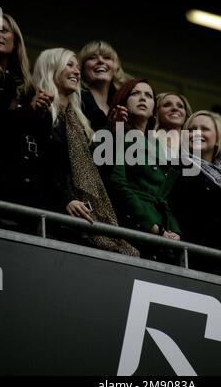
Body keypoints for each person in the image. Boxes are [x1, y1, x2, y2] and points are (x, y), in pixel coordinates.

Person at [32, 48, 139, 256]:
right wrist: (65, 200)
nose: (76, 72)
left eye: (77, 67)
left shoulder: (78, 121)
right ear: (51, 67)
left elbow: (99, 166)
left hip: (80, 218)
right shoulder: (40, 112)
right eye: (69, 65)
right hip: (54, 216)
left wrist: (115, 131)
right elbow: (40, 165)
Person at [103, 78, 181, 261]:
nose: (142, 98)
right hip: (130, 231)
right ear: (123, 101)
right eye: (135, 93)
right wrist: (153, 227)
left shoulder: (158, 146)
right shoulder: (112, 134)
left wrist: (174, 230)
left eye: (148, 95)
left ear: (154, 107)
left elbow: (165, 197)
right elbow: (117, 184)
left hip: (163, 237)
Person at [171, 110, 221, 271]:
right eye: (191, 129)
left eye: (204, 129)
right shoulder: (178, 168)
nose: (197, 133)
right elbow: (187, 218)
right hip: (198, 262)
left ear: (217, 139)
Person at [0, 12, 53, 208]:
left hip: (27, 194)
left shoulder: (28, 89)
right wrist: (30, 111)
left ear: (16, 40)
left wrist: (43, 112)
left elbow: (43, 145)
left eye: (4, 30)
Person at [78, 40, 131, 131]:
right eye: (92, 58)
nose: (100, 61)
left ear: (116, 67)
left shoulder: (122, 106)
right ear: (82, 68)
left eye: (107, 57)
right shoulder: (75, 100)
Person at [154, 92, 192, 161]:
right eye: (167, 105)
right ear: (156, 112)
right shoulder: (148, 143)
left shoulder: (193, 149)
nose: (175, 108)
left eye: (180, 106)